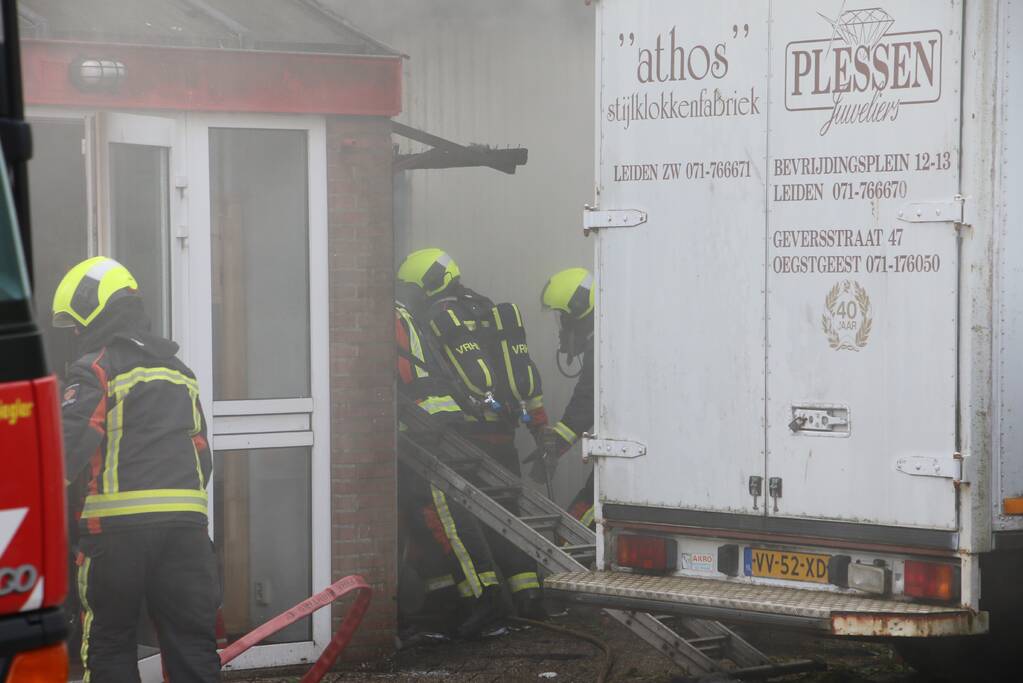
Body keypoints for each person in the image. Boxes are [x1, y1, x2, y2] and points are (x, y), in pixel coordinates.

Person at [54, 256, 220, 682]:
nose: (75, 332)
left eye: (76, 322)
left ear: (95, 311)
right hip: (186, 533)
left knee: (110, 643)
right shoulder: (180, 372)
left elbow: (65, 454)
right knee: (193, 646)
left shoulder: (95, 367)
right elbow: (201, 457)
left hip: (115, 538)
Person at [397, 248, 547, 618]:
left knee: (473, 519)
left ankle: (484, 605)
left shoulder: (434, 318)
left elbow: (434, 373)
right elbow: (520, 370)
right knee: (509, 517)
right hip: (506, 430)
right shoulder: (489, 310)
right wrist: (541, 429)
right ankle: (530, 599)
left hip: (467, 434)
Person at [394, 293, 505, 639]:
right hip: (427, 421)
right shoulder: (402, 309)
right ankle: (444, 604)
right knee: (423, 517)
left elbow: (400, 371)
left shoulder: (387, 314)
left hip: (426, 422)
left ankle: (485, 603)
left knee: (448, 517)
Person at [534, 268, 596, 530]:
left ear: (580, 316)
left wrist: (555, 445)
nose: (562, 329)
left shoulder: (605, 346)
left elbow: (586, 403)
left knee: (572, 532)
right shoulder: (613, 338)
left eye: (564, 320)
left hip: (635, 471)